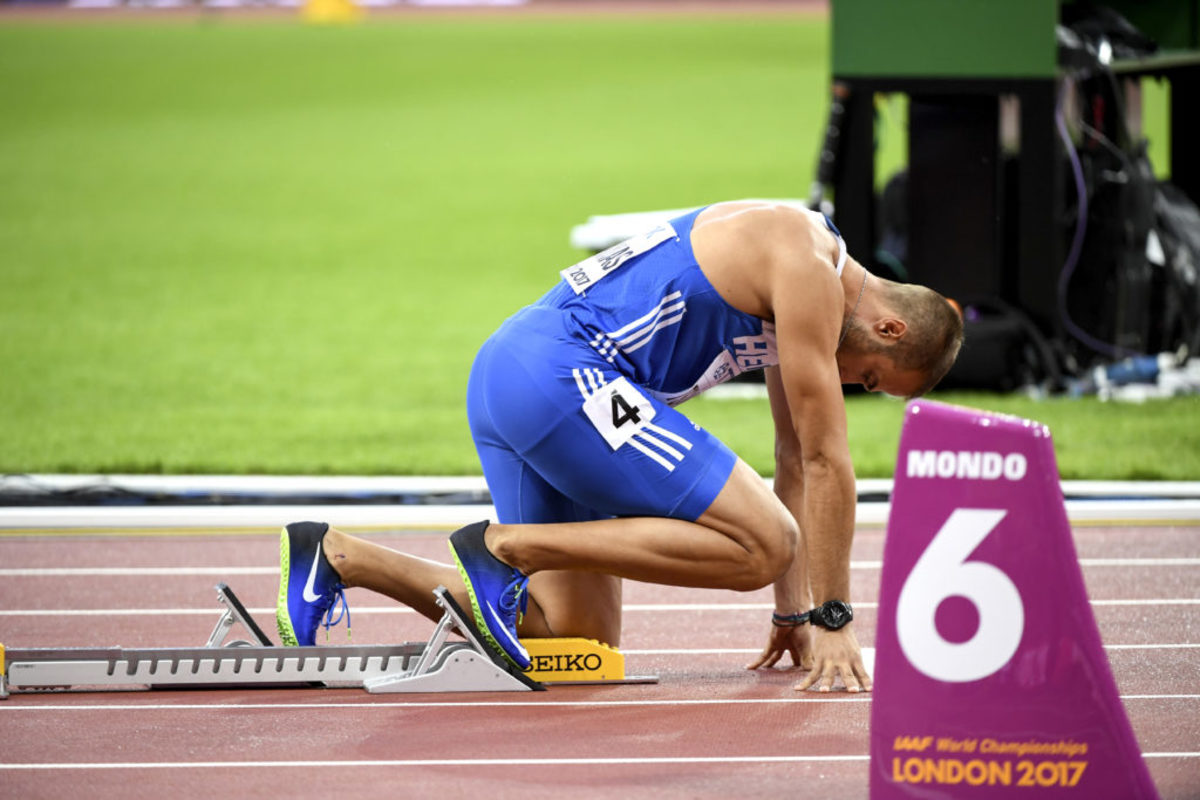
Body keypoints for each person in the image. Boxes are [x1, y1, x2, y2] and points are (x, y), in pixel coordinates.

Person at [276, 200, 963, 693]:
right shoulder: (807, 261)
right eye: (870, 377)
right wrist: (836, 615)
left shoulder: (801, 280)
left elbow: (791, 458)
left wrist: (794, 613)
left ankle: (339, 555)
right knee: (765, 543)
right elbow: (824, 459)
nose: (855, 385)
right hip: (560, 375)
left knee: (575, 644)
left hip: (518, 375)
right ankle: (506, 547)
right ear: (891, 327)